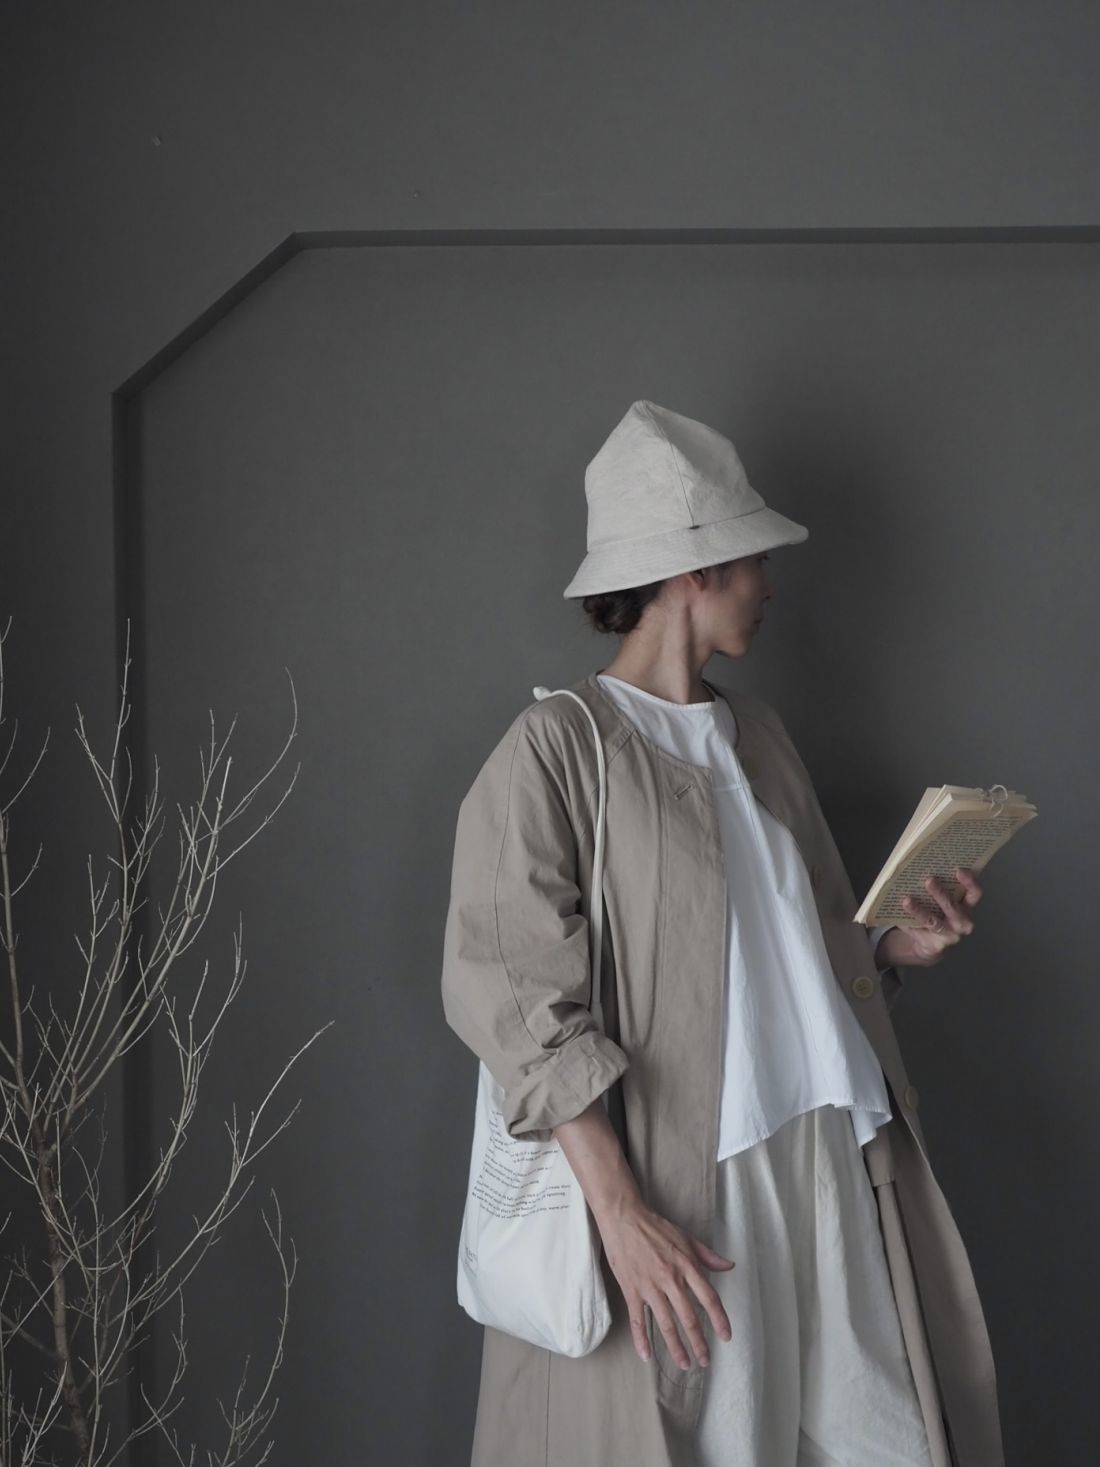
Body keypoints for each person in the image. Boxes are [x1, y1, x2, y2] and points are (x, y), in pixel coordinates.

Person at [440, 399, 1004, 1467]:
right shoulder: (559, 749)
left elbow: (783, 956)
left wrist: (893, 948)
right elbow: (511, 991)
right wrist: (618, 1212)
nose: (769, 585)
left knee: (883, 1441)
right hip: (692, 1183)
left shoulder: (763, 738)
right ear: (695, 569)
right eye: (754, 561)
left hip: (831, 1152)